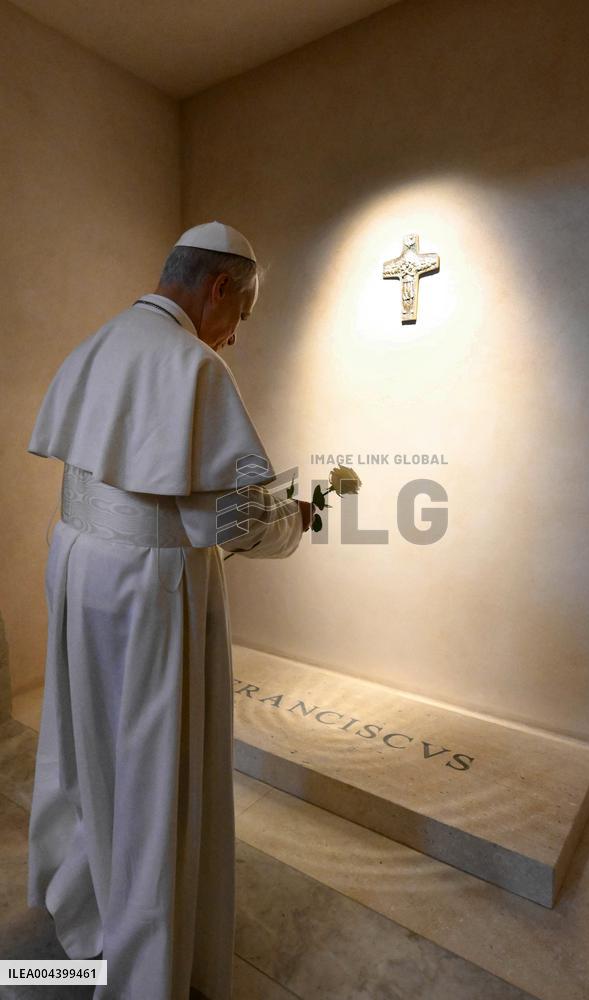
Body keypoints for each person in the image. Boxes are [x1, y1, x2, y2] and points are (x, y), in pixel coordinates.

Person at [25, 221, 312, 999]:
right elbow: (234, 520)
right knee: (154, 776)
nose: (236, 338)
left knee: (89, 751)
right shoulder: (193, 366)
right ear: (219, 286)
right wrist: (300, 520)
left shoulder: (97, 344)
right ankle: (143, 970)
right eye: (241, 316)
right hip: (146, 591)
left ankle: (81, 914)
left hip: (78, 566)